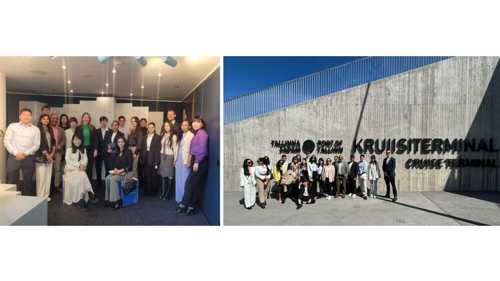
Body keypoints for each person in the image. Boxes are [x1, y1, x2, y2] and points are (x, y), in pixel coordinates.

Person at [177, 117, 209, 215]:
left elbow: (202, 149)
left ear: (202, 124)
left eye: (198, 122)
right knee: (192, 185)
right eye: (194, 122)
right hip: (196, 161)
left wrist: (197, 161)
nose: (195, 124)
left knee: (191, 184)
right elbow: (193, 149)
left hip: (200, 161)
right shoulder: (197, 134)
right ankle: (188, 206)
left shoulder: (202, 133)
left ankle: (188, 206)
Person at [4, 109, 41, 196]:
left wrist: (25, 153)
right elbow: (6, 141)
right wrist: (16, 153)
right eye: (24, 114)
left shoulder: (35, 129)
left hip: (28, 158)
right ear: (20, 116)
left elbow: (36, 145)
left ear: (31, 117)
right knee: (12, 181)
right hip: (14, 157)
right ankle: (11, 199)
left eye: (28, 115)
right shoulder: (12, 126)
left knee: (28, 181)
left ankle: (26, 201)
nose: (26, 117)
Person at [63, 134, 94, 210]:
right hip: (70, 170)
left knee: (82, 176)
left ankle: (80, 200)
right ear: (73, 140)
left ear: (81, 141)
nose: (77, 141)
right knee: (82, 176)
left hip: (80, 170)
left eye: (79, 139)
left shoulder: (83, 149)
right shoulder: (69, 149)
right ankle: (89, 192)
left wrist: (83, 165)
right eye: (75, 139)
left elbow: (85, 159)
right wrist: (78, 166)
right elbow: (68, 162)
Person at [104, 136, 133, 209]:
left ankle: (117, 201)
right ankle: (108, 199)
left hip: (126, 172)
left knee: (113, 179)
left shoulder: (128, 151)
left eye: (122, 142)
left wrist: (121, 170)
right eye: (119, 142)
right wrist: (115, 169)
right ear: (117, 143)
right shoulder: (116, 152)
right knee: (107, 178)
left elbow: (130, 166)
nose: (120, 143)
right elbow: (114, 164)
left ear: (124, 143)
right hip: (118, 172)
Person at [35, 114, 55, 201]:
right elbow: (40, 143)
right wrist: (47, 155)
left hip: (50, 156)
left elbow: (53, 142)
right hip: (41, 157)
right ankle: (40, 197)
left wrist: (52, 154)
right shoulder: (37, 130)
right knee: (41, 178)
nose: (46, 120)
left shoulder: (50, 129)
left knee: (48, 177)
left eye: (47, 119)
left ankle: (46, 196)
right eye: (44, 119)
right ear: (40, 120)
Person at [74, 112, 98, 188]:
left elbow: (95, 140)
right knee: (82, 166)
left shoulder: (92, 127)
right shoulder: (78, 127)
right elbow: (75, 139)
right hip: (81, 150)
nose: (86, 118)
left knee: (90, 167)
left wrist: (95, 150)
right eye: (85, 117)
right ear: (82, 118)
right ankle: (81, 185)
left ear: (89, 119)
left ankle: (89, 185)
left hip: (90, 150)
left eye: (88, 117)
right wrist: (77, 150)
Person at [139, 122, 161, 196]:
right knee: (146, 175)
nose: (150, 128)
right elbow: (142, 148)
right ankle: (147, 190)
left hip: (154, 158)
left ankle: (153, 191)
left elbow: (158, 150)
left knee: (154, 175)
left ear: (154, 128)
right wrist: (142, 158)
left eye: (152, 127)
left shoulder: (158, 137)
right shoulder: (145, 137)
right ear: (147, 128)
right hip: (146, 157)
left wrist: (156, 161)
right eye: (149, 127)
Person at [158, 121, 178, 200]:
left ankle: (167, 194)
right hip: (162, 156)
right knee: (163, 175)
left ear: (171, 127)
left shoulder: (173, 136)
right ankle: (163, 192)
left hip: (170, 156)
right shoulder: (163, 134)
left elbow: (175, 149)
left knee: (169, 175)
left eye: (168, 126)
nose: (166, 127)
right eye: (165, 126)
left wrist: (174, 160)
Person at [175, 120, 194, 203]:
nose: (184, 127)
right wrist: (175, 160)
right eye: (182, 125)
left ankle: (184, 199)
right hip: (178, 159)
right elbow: (177, 148)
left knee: (185, 180)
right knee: (178, 179)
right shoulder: (180, 135)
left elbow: (192, 150)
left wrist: (189, 161)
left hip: (186, 159)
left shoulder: (191, 135)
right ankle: (178, 198)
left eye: (186, 125)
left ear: (189, 126)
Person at [50, 113, 66, 193]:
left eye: (56, 118)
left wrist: (60, 146)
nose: (55, 120)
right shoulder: (47, 128)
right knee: (49, 170)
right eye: (53, 118)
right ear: (50, 119)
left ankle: (56, 185)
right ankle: (49, 186)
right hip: (48, 153)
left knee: (57, 169)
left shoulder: (61, 129)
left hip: (58, 152)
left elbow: (64, 140)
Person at [95, 116, 110, 188]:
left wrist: (111, 152)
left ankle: (107, 182)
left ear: (107, 122)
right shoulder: (97, 131)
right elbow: (95, 142)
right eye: (102, 121)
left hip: (108, 154)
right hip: (98, 153)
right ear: (100, 122)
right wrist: (95, 150)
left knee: (108, 168)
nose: (104, 123)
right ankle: (98, 183)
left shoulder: (110, 131)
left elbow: (112, 142)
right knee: (98, 169)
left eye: (105, 121)